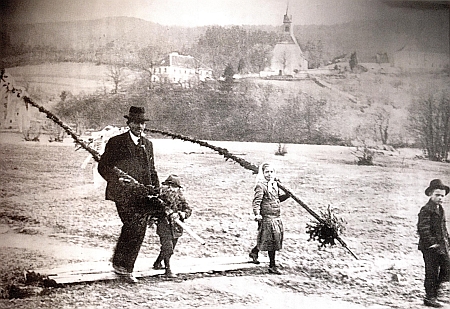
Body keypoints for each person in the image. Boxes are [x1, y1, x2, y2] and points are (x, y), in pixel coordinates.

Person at [98, 106, 160, 283]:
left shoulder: (148, 145)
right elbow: (103, 167)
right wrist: (118, 181)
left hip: (142, 194)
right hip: (122, 194)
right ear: (129, 123)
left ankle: (121, 263)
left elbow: (152, 170)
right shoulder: (116, 142)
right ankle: (125, 268)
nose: (139, 126)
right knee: (133, 225)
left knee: (138, 229)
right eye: (136, 122)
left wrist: (156, 189)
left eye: (142, 123)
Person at [249, 162, 289, 274]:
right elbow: (256, 202)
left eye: (271, 172)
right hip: (266, 217)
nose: (269, 174)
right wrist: (257, 214)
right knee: (272, 239)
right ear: (262, 173)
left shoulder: (275, 185)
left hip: (276, 216)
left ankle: (254, 252)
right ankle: (272, 266)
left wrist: (287, 195)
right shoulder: (260, 186)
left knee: (269, 238)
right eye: (267, 172)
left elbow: (277, 199)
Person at [417, 179, 450, 308]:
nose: (440, 198)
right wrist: (432, 243)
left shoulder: (440, 209)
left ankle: (435, 291)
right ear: (430, 194)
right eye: (437, 195)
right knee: (431, 272)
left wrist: (447, 240)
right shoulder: (426, 209)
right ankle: (430, 297)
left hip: (441, 246)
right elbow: (422, 228)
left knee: (447, 268)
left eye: (442, 195)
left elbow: (443, 228)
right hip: (429, 247)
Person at [152, 174, 192, 278]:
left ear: (178, 188)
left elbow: (188, 210)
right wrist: (167, 213)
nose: (171, 189)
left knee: (169, 248)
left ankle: (157, 263)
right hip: (164, 226)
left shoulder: (180, 198)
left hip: (177, 228)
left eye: (174, 187)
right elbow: (156, 210)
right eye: (168, 185)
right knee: (168, 248)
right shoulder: (160, 198)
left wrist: (181, 214)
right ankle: (168, 270)